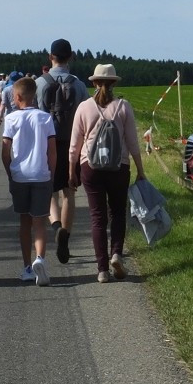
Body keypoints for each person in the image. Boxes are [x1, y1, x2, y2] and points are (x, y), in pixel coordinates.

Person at [68, 64, 145, 283]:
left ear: (93, 83)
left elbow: (74, 145)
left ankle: (102, 270)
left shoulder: (84, 107)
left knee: (97, 217)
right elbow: (132, 142)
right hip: (118, 167)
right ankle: (117, 254)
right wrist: (140, 170)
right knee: (118, 213)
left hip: (90, 167)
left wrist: (71, 171)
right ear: (114, 83)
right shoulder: (123, 106)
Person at [36, 38, 89, 265]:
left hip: (48, 144)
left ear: (51, 57)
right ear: (71, 57)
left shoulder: (39, 83)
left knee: (50, 193)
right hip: (71, 145)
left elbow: (36, 116)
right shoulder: (78, 85)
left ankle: (56, 225)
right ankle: (65, 234)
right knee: (69, 192)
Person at [1, 77, 56, 286]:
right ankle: (40, 258)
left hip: (20, 176)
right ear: (34, 96)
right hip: (41, 174)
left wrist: (9, 172)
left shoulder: (11, 119)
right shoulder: (45, 118)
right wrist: (51, 172)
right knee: (39, 222)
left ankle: (26, 267)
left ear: (16, 97)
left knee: (24, 222)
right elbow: (52, 151)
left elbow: (6, 151)